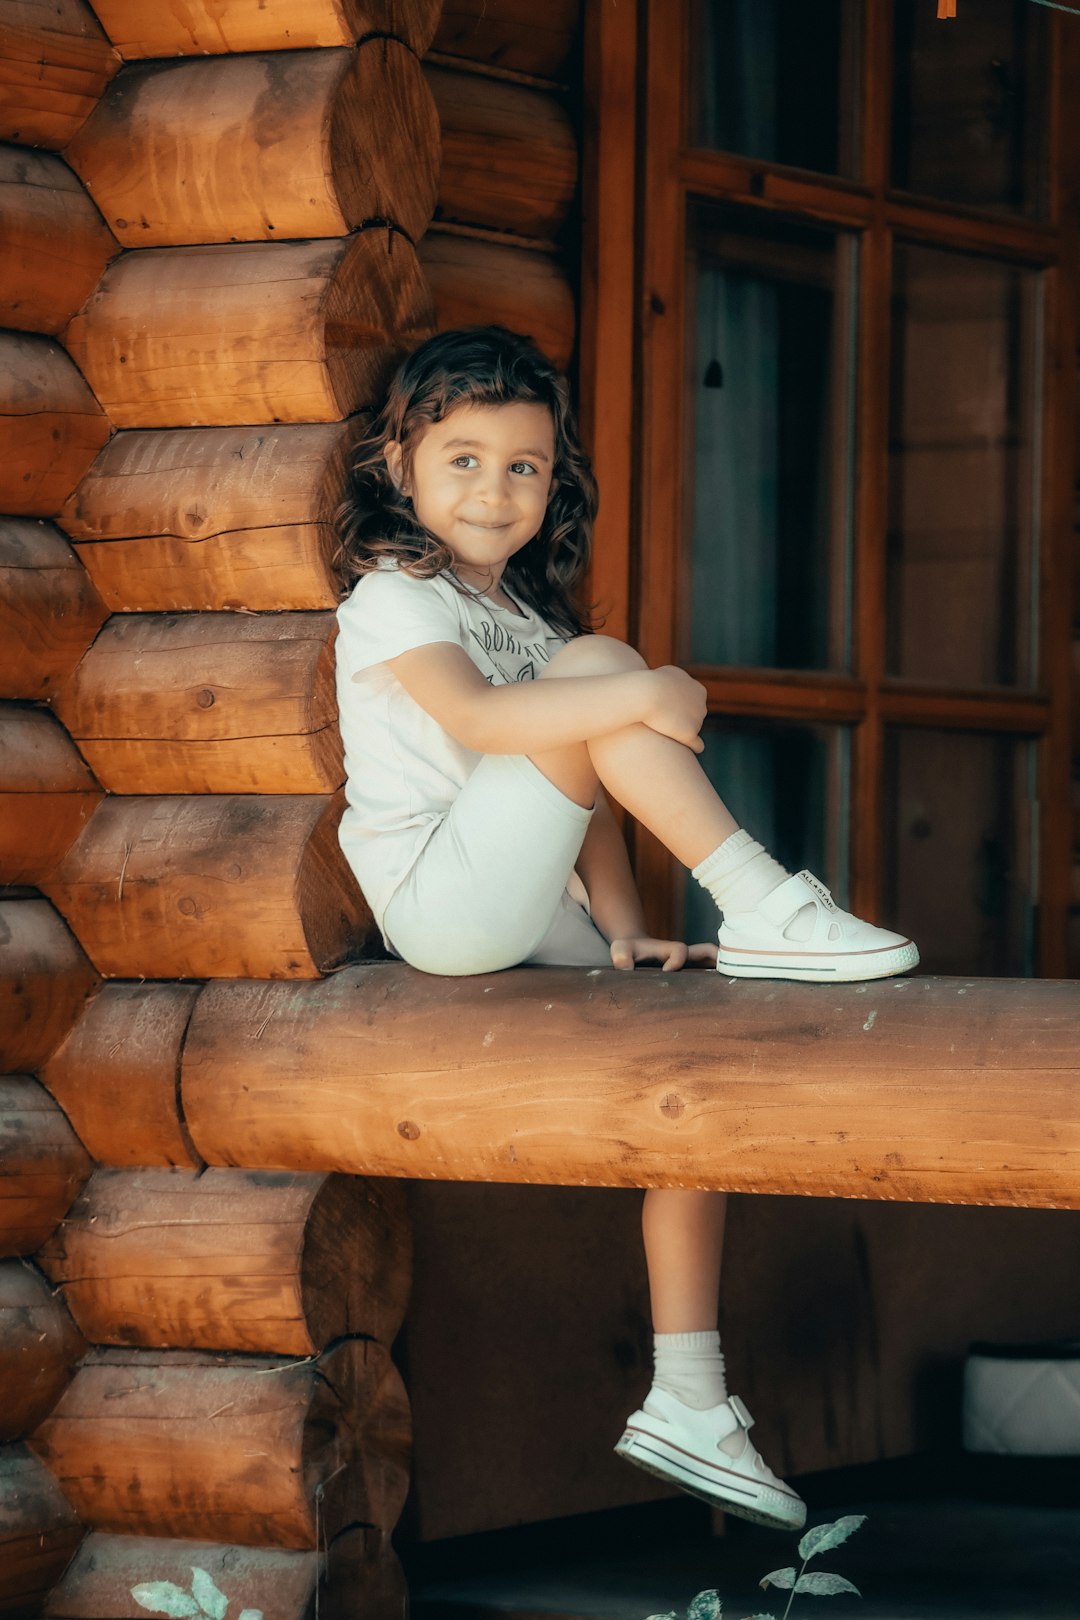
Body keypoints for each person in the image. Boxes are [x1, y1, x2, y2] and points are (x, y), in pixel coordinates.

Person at [334, 325, 918, 1533]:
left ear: (554, 484)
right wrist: (640, 688)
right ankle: (766, 898)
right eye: (463, 460)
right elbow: (486, 724)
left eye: (524, 467)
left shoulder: (532, 624)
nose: (495, 490)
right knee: (601, 663)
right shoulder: (395, 598)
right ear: (398, 463)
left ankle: (691, 1393)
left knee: (684, 1053)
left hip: (527, 911)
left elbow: (580, 805)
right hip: (441, 908)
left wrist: (627, 933)